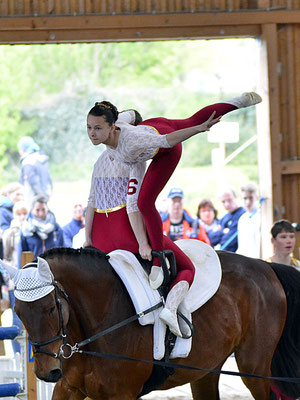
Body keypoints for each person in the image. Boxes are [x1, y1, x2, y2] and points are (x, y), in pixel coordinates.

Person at [86, 92, 261, 336]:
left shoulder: (131, 143)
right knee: (136, 203)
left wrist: (199, 129)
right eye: (89, 128)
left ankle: (159, 263)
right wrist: (136, 116)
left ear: (112, 127)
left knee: (145, 202)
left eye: (97, 128)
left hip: (165, 150)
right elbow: (132, 115)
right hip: (148, 130)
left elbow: (169, 140)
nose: (91, 134)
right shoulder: (119, 128)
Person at [18, 195, 64, 264]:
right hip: (34, 269)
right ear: (31, 210)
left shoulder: (56, 227)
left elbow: (62, 250)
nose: (41, 213)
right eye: (37, 210)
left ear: (47, 208)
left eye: (43, 209)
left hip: (53, 268)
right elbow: (21, 254)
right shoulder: (26, 229)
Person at [18, 136, 53, 207]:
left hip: (34, 199)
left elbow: (33, 181)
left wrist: (41, 197)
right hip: (46, 195)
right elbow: (48, 179)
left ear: (23, 149)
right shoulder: (40, 158)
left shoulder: (28, 161)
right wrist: (47, 195)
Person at [236, 182, 261, 258]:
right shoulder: (242, 219)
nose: (248, 202)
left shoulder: (261, 217)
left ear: (257, 197)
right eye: (245, 198)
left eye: (251, 198)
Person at [3, 201, 28, 268]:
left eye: (25, 213)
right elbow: (6, 256)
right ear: (14, 215)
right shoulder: (9, 233)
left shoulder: (33, 232)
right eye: (19, 214)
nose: (22, 217)